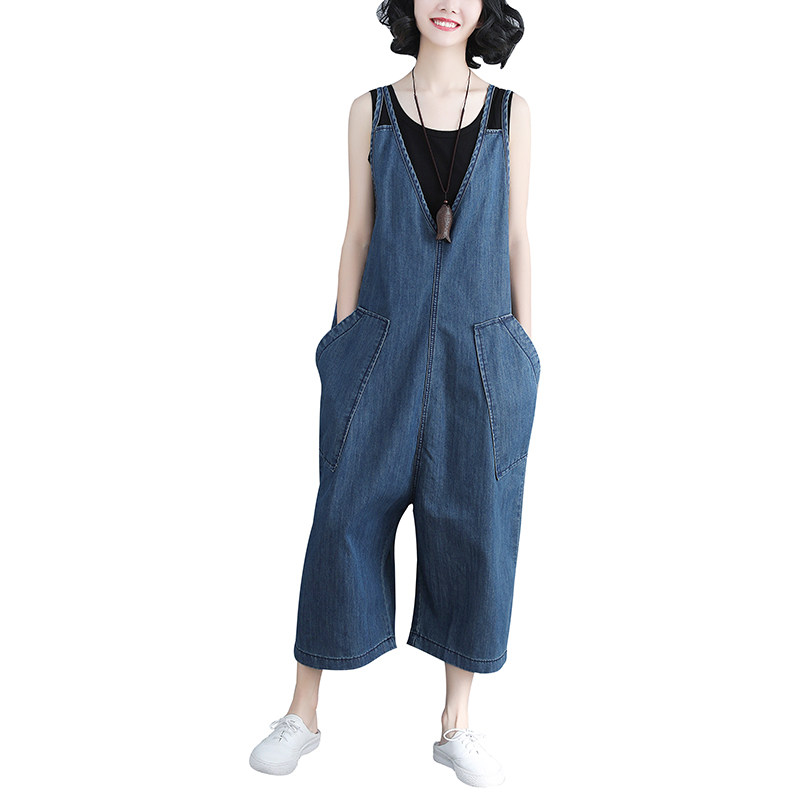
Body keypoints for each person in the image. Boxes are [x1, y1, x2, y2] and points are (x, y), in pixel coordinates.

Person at [250, 0, 539, 787]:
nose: (448, 3)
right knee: (343, 516)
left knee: (475, 525)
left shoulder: (511, 115)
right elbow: (357, 231)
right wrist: (342, 343)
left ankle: (457, 724)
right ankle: (303, 711)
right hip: (379, 347)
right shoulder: (370, 111)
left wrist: (522, 349)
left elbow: (517, 236)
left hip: (481, 357)